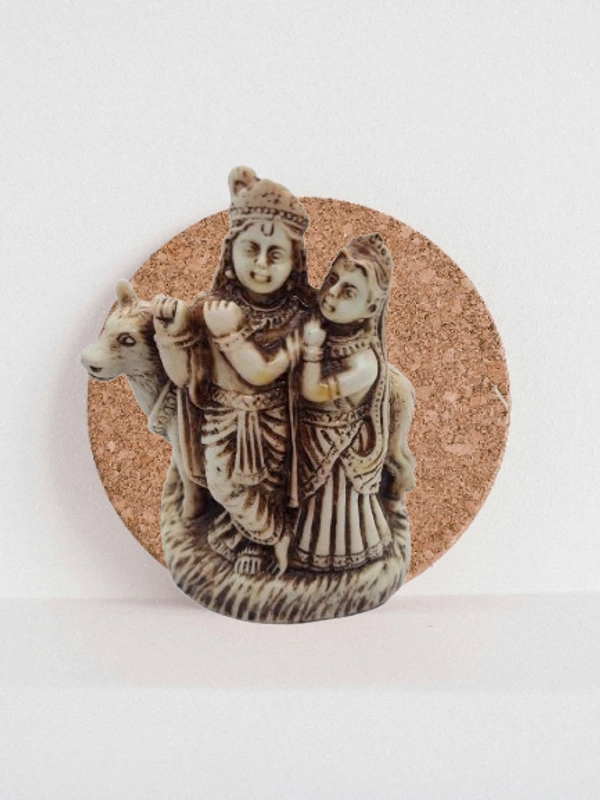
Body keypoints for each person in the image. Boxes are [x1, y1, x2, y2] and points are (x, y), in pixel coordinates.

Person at [153, 167, 314, 576]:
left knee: (269, 486)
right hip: (222, 417)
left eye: (275, 254)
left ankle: (257, 542)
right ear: (230, 252)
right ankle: (277, 536)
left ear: (295, 262)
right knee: (224, 485)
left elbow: (267, 373)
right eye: (251, 249)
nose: (261, 264)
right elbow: (184, 377)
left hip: (279, 419)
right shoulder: (211, 308)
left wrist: (231, 334)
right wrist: (171, 333)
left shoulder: (302, 313)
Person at [294, 233, 394, 572]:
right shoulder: (328, 332)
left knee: (333, 507)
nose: (332, 293)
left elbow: (314, 392)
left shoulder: (364, 363)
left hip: (337, 449)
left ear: (370, 308)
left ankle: (330, 559)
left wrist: (311, 349)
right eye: (332, 280)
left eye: (349, 291)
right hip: (308, 436)